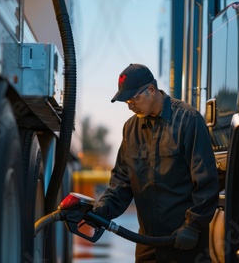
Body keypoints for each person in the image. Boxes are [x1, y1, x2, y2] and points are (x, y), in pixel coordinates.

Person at [92, 63, 219, 262]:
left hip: (185, 241)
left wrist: (193, 226)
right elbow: (122, 182)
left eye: (134, 98)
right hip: (147, 244)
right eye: (127, 101)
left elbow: (206, 181)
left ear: (151, 90)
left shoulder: (188, 120)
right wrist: (101, 209)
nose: (131, 105)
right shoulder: (130, 129)